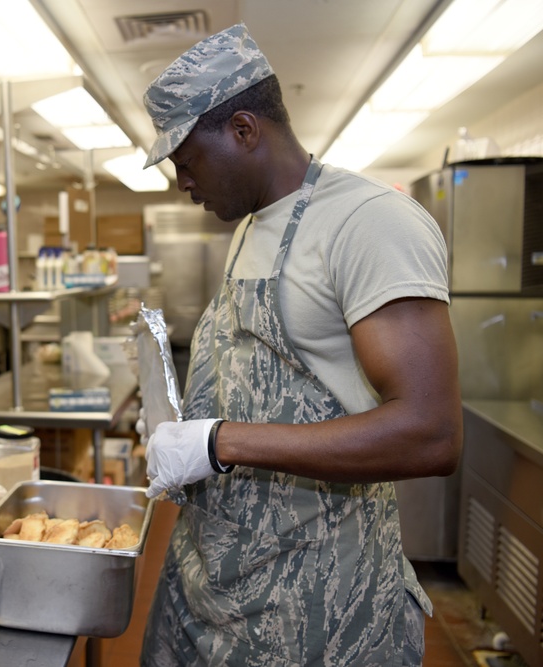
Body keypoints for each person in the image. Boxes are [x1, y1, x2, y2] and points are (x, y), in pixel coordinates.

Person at [137, 24, 462, 666]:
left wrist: (219, 442)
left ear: (244, 130)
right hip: (218, 583)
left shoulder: (369, 224)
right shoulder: (250, 226)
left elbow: (431, 432)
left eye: (185, 157)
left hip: (317, 606)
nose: (180, 179)